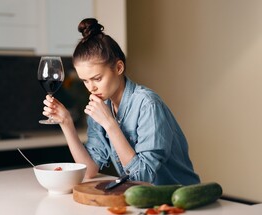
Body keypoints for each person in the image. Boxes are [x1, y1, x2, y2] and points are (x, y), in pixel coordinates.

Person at [42, 18, 200, 185]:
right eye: (85, 81)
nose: (91, 88)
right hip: (141, 200)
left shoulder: (148, 105)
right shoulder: (102, 106)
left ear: (119, 68)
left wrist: (109, 124)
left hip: (179, 201)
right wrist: (66, 123)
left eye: (97, 78)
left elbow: (142, 177)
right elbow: (89, 171)